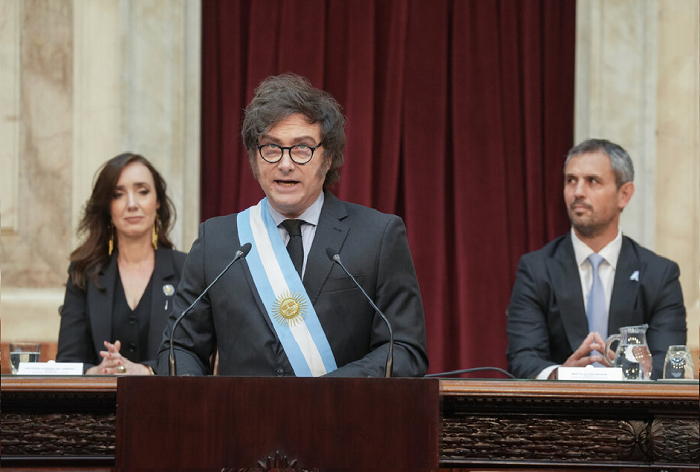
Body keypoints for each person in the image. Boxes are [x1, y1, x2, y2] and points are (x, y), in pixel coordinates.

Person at [157, 73, 428, 377]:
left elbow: (404, 349)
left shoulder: (377, 236)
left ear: (328, 158)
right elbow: (179, 348)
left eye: (302, 148)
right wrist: (198, 395)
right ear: (254, 159)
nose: (285, 164)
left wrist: (328, 394)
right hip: (239, 409)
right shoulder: (217, 241)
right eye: (271, 148)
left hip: (341, 408)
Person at [506, 139, 686, 380]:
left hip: (634, 405)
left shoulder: (659, 275)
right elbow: (523, 357)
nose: (578, 192)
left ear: (624, 194)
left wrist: (623, 376)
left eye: (592, 181)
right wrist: (561, 375)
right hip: (558, 404)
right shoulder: (536, 270)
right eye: (571, 180)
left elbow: (668, 364)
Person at [57, 153, 187, 375]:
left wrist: (146, 371)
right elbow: (68, 362)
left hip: (168, 397)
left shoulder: (186, 269)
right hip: (101, 397)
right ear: (108, 207)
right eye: (118, 195)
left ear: (157, 202)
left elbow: (197, 358)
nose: (132, 204)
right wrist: (99, 372)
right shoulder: (84, 272)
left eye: (142, 191)